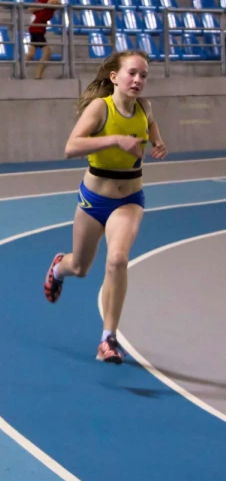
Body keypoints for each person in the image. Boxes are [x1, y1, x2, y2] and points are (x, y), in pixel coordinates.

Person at [43, 50, 167, 363]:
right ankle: (59, 267)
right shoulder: (101, 108)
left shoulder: (145, 107)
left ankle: (107, 339)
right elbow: (71, 147)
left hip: (129, 199)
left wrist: (157, 141)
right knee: (81, 268)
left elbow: (150, 122)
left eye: (143, 76)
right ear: (114, 77)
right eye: (132, 73)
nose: (138, 80)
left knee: (117, 259)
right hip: (94, 199)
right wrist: (114, 140)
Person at [25, 0, 65, 79]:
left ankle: (16, 73)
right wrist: (47, 4)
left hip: (41, 28)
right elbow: (31, 8)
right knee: (47, 52)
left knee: (30, 54)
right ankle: (38, 76)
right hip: (37, 27)